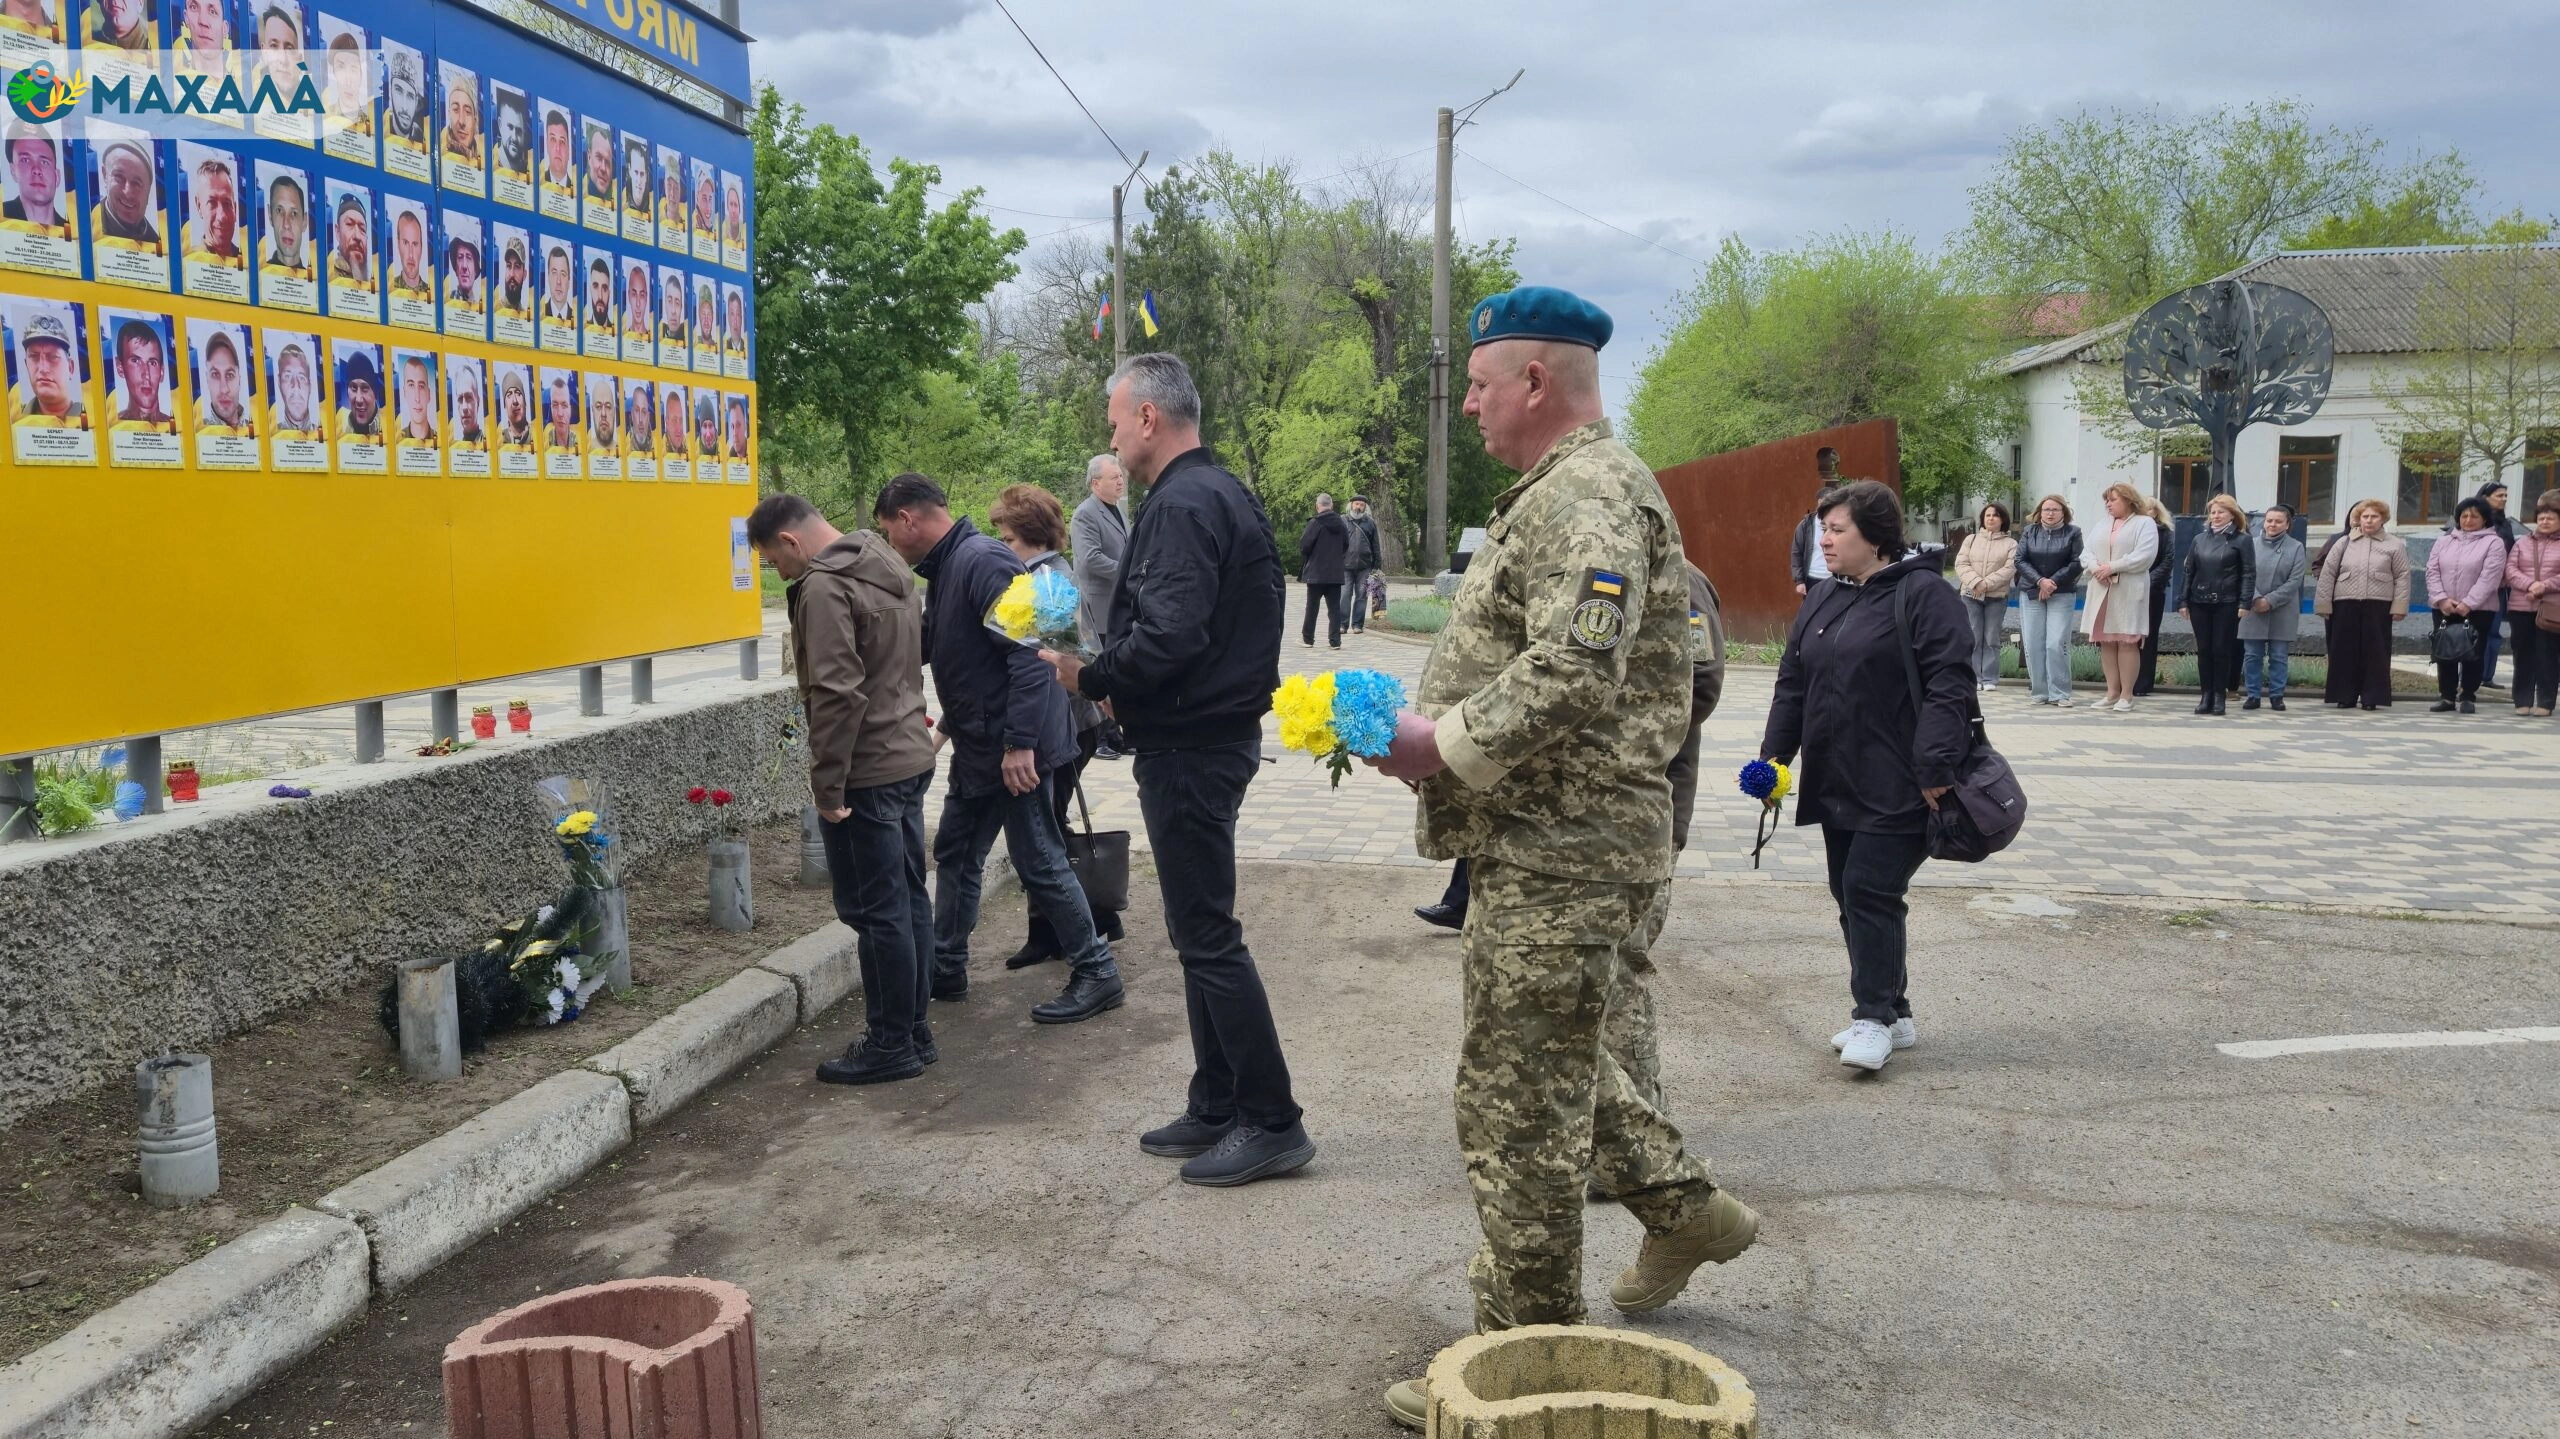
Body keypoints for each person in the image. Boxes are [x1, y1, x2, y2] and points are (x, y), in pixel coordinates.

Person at [1364, 287, 1750, 1429]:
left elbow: (1578, 666)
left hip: (1567, 847)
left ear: (1534, 381)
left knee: (1517, 1114)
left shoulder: (1586, 489)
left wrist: (1442, 740)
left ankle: (1517, 1358)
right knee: (1548, 1071)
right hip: (1549, 842)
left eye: (1479, 386)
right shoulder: (1566, 489)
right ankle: (1684, 1209)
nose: (1471, 407)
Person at [1037, 351, 1312, 1190]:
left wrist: (1094, 676)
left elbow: (1172, 636)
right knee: (1201, 933)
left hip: (1194, 747)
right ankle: (1217, 1099)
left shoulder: (1188, 502)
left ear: (1149, 417)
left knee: (1206, 935)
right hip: (1197, 739)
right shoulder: (1205, 493)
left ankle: (1272, 1119)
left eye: (1116, 419)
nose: (1112, 436)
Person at [871, 473, 1125, 1027]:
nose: (893, 543)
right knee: (958, 852)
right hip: (982, 746)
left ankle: (1097, 970)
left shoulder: (981, 561)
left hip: (1014, 751)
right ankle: (947, 965)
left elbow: (1030, 658)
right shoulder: (950, 567)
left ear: (909, 520)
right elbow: (937, 646)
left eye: (890, 532)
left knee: (1039, 861)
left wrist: (1018, 746)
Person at [1764, 478, 1973, 1073]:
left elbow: (1949, 685)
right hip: (1837, 777)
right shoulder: (1824, 597)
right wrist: (1774, 762)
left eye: (1836, 530)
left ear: (1875, 535)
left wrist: (1934, 766)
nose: (1823, 542)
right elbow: (1793, 685)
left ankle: (1872, 1017)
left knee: (1869, 889)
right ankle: (1896, 1011)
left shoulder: (1925, 594)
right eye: (1822, 530)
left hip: (1902, 779)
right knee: (1852, 894)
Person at [750, 494, 940, 1086]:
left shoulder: (826, 585)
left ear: (791, 542)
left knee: (874, 909)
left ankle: (890, 1045)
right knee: (908, 900)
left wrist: (828, 789)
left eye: (772, 562)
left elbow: (835, 693)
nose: (778, 574)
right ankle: (913, 1031)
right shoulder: (884, 561)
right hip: (908, 753)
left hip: (867, 770)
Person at [989, 484, 1127, 973]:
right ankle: (1072, 924)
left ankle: (1081, 922)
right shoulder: (1049, 573)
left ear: (1027, 535)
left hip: (1070, 720)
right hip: (1074, 719)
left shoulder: (1046, 582)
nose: (1001, 546)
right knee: (1050, 823)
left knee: (1046, 828)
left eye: (1006, 537)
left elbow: (1054, 660)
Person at [2316, 498, 2410, 710]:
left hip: (2378, 604)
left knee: (2375, 652)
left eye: (2374, 516)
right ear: (2358, 519)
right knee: (2343, 650)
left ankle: (2372, 697)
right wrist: (2323, 605)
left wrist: (2399, 607)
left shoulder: (2394, 544)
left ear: (2382, 519)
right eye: (2365, 516)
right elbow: (2328, 573)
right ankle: (2344, 695)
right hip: (2344, 603)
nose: (2369, 520)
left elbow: (2403, 576)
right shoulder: (2343, 542)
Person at [1068, 453, 1130, 758]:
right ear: (1095, 483)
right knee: (1100, 667)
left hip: (1119, 606)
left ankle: (1117, 732)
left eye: (1120, 476)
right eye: (1113, 477)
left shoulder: (1118, 511)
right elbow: (1090, 558)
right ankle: (1103, 737)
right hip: (1097, 606)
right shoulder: (1085, 514)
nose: (1120, 480)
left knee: (1117, 666)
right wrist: (1128, 570)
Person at [2079, 482, 2160, 711]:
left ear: (2128, 500)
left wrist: (2113, 566)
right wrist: (2095, 568)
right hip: (2102, 588)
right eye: (2107, 500)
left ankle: (2126, 695)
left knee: (2126, 641)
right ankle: (2111, 692)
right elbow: (2087, 552)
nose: (2108, 504)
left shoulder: (2144, 524)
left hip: (2128, 589)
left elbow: (2144, 556)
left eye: (2113, 499)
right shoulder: (2102, 525)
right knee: (2107, 641)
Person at [2426, 496, 2507, 715]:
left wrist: (2468, 603)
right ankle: (2447, 696)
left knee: (2474, 652)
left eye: (2474, 516)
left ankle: (2468, 695)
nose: (2468, 520)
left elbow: (2490, 576)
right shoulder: (2444, 541)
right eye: (2464, 515)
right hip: (2444, 606)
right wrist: (2441, 599)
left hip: (2478, 609)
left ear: (2484, 519)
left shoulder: (2494, 543)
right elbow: (2432, 571)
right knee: (2445, 650)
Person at [2177, 494, 2254, 716]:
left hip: (2227, 602)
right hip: (2199, 601)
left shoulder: (2242, 540)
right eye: (2213, 512)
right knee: (2204, 650)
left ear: (2232, 514)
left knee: (2221, 649)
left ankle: (2220, 695)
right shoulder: (2199, 539)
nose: (2216, 516)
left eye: (2221, 512)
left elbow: (2248, 573)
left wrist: (2245, 601)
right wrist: (2183, 600)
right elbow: (2189, 570)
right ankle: (2206, 695)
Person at [2012, 494, 2082, 706]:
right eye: (2046, 510)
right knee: (2033, 643)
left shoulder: (2073, 532)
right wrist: (2040, 581)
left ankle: (2060, 693)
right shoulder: (2029, 531)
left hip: (2061, 593)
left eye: (2055, 510)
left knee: (2055, 643)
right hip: (2032, 592)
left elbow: (2077, 562)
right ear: (2039, 512)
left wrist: (2052, 583)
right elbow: (2020, 560)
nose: (2050, 513)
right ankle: (2040, 691)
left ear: (2064, 512)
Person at [2238, 503, 2307, 711]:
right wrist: (2257, 598)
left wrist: (2270, 600)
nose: (2273, 525)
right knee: (2252, 655)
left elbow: (2295, 580)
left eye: (2278, 521)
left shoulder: (2296, 547)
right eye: (2269, 520)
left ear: (2287, 524)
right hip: (2253, 608)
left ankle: (2277, 695)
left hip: (2282, 609)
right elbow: (2243, 574)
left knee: (2278, 655)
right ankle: (2252, 695)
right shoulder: (2250, 544)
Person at [2504, 493, 2560, 717]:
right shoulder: (2522, 543)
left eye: (2551, 518)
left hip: (2550, 608)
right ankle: (2522, 700)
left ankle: (2545, 702)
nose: (2545, 522)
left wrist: (2543, 586)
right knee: (2522, 654)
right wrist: (2530, 585)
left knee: (2548, 656)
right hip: (2521, 606)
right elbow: (2510, 569)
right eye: (2541, 518)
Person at [1953, 502, 2016, 692]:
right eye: (1988, 515)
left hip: (1996, 596)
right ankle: (1973, 677)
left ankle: (1989, 678)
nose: (1991, 519)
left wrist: (1986, 584)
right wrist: (1975, 583)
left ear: (2002, 519)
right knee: (1972, 636)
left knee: (1991, 637)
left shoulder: (2011, 544)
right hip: (1971, 595)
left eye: (1995, 515)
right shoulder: (1971, 540)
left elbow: (2010, 568)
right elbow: (1961, 563)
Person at [2471, 480, 2518, 688]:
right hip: (2475, 586)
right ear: (2485, 498)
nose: (2504, 499)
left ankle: (2486, 676)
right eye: (2500, 495)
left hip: (2499, 587)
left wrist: (2507, 575)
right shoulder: (2476, 521)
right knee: (2471, 632)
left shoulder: (2505, 523)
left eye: (2506, 495)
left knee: (2493, 633)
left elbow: (2512, 551)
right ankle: (2470, 676)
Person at [2131, 494, 2176, 697]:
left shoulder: (2164, 533)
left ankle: (2144, 682)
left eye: (2148, 509)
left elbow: (2167, 562)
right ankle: (2127, 680)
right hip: (2129, 591)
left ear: (2156, 512)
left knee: (2148, 638)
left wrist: (2145, 582)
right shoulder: (2131, 531)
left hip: (2152, 592)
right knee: (2129, 637)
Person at [1298, 492, 1349, 648]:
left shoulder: (1315, 523)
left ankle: (1308, 639)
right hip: (1335, 573)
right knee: (1334, 608)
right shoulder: (1341, 524)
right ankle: (1335, 641)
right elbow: (1346, 545)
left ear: (1317, 505)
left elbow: (1304, 546)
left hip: (1316, 573)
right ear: (1331, 506)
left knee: (1312, 607)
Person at [93, 140, 160, 250]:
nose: (127, 192)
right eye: (119, 177)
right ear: (105, 175)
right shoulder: (84, 227)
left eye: (136, 183)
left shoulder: (159, 246)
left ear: (148, 191)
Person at [110, 319, 173, 431]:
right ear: (120, 367)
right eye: (135, 361)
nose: (146, 374)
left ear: (162, 372)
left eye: (152, 363)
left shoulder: (175, 428)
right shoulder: (113, 427)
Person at [1789, 485, 1838, 595]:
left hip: (1834, 578)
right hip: (1812, 578)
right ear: (1820, 502)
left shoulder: (1839, 525)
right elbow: (1796, 553)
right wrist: (1799, 581)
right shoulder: (1805, 526)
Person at [1343, 495, 1382, 634]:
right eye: (1356, 504)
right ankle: (1342, 624)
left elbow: (1375, 545)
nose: (1358, 507)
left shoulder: (1370, 523)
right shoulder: (1343, 521)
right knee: (1345, 595)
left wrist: (1377, 565)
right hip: (1345, 566)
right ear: (1351, 505)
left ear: (1365, 507)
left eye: (1361, 505)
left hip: (1365, 566)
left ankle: (1357, 625)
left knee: (1361, 595)